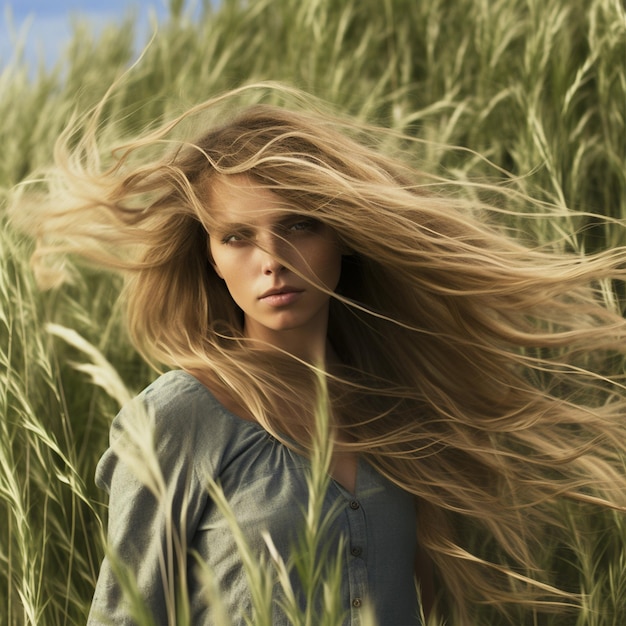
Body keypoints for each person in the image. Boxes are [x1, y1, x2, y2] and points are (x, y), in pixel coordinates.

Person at [17, 83, 626, 625]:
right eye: (237, 237)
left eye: (300, 225)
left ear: (344, 234)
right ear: (210, 258)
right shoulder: (179, 420)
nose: (272, 258)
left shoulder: (397, 412)